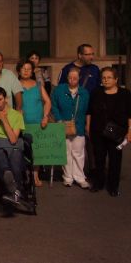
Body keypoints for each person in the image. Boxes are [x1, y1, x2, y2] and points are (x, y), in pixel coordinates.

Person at [86, 67, 131, 197]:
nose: (106, 80)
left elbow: (130, 114)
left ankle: (113, 186)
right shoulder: (96, 92)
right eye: (103, 77)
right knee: (99, 159)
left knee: (115, 160)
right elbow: (89, 111)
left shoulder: (125, 94)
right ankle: (98, 183)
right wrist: (88, 127)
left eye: (109, 77)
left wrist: (130, 131)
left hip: (117, 133)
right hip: (98, 131)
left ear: (116, 79)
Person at [0, 87, 31, 211]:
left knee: (15, 159)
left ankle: (14, 190)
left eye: (0, 100)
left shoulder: (16, 115)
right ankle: (14, 189)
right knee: (0, 156)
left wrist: (4, 120)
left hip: (12, 143)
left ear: (6, 99)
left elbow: (13, 139)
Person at [51, 67, 90, 189]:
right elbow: (54, 106)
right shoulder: (58, 90)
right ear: (67, 77)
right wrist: (59, 119)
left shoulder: (84, 92)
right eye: (70, 77)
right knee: (66, 152)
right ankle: (68, 177)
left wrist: (85, 124)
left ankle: (80, 177)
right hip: (63, 125)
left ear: (79, 78)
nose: (72, 80)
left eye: (75, 78)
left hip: (79, 126)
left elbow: (87, 110)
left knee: (78, 153)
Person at [17, 60, 51, 186]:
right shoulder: (15, 85)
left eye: (29, 69)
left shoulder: (38, 85)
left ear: (32, 71)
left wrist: (45, 116)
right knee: (23, 149)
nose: (26, 71)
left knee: (37, 150)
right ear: (19, 70)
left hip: (38, 123)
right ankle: (26, 173)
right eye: (23, 68)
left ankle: (35, 174)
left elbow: (47, 101)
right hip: (21, 124)